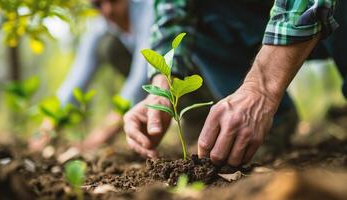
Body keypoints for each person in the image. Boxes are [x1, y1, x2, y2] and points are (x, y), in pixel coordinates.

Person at [123, 0, 346, 166]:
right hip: (265, 26)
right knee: (201, 11)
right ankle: (267, 128)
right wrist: (162, 88)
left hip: (330, 16)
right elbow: (172, 11)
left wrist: (261, 89)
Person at [29, 0, 153, 151]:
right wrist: (48, 125)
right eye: (98, 4)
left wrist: (101, 134)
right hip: (152, 85)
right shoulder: (101, 25)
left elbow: (142, 75)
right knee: (107, 45)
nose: (108, 10)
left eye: (114, 1)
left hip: (181, 79)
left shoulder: (150, 10)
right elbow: (77, 77)